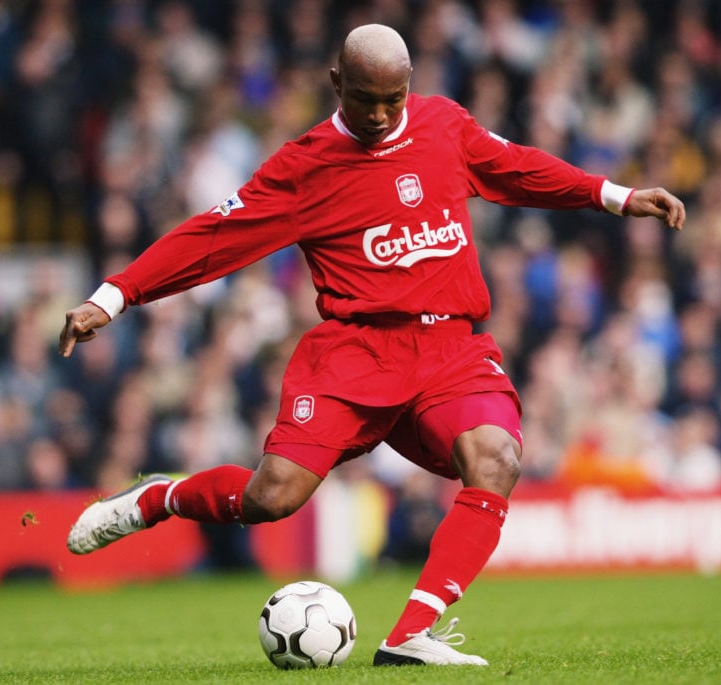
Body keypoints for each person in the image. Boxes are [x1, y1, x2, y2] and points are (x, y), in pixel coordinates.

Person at [60, 24, 685, 667]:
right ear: (337, 84)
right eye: (366, 99)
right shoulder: (304, 166)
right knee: (271, 498)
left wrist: (615, 195)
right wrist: (113, 296)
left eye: (395, 98)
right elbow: (213, 238)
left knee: (496, 458)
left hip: (449, 348)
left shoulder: (444, 125)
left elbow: (517, 166)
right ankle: (153, 499)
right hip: (355, 355)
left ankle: (411, 635)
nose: (383, 115)